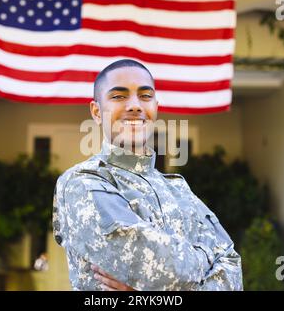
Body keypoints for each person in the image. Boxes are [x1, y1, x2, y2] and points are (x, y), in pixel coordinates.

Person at [52, 59, 243, 291]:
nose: (135, 105)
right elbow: (158, 269)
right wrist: (206, 257)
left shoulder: (178, 189)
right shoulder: (82, 182)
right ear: (96, 111)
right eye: (119, 96)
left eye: (145, 96)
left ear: (155, 107)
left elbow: (232, 266)